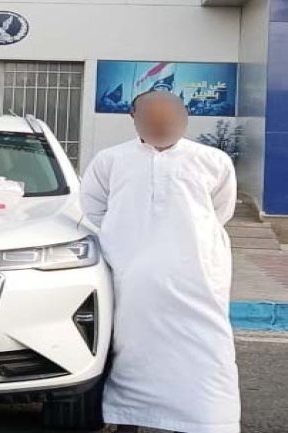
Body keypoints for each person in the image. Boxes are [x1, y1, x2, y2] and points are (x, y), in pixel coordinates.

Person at [80, 90, 240, 433]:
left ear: (185, 117)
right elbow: (93, 207)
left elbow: (219, 211)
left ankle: (203, 421)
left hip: (197, 273)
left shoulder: (212, 160)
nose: (163, 126)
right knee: (131, 346)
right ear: (133, 118)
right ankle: (129, 419)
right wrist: (130, 240)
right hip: (132, 275)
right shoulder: (111, 160)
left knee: (205, 348)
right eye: (153, 120)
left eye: (171, 119)